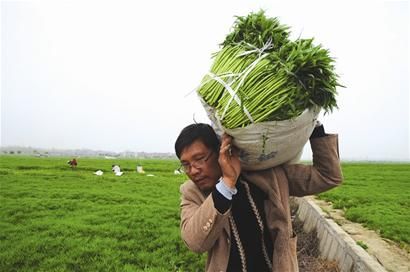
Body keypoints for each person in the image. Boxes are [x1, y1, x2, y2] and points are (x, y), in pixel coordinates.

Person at [174, 122, 342, 272]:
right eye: (186, 165)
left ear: (220, 151)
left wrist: (313, 126)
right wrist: (226, 184)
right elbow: (194, 242)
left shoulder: (269, 174)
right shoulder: (192, 193)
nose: (193, 170)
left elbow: (328, 176)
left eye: (200, 159)